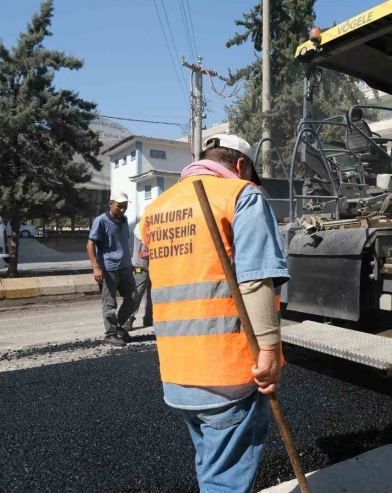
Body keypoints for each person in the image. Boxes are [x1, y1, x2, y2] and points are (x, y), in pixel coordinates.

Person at [141, 134, 288, 492]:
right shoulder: (240, 194)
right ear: (241, 165)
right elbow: (255, 281)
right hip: (228, 374)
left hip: (177, 373)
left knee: (211, 467)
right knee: (226, 482)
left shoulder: (156, 208)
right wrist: (268, 352)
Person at [87, 191, 137, 347]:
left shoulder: (124, 220)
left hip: (125, 267)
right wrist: (96, 267)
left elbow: (122, 243)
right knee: (109, 303)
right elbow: (90, 244)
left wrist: (130, 263)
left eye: (125, 206)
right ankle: (110, 334)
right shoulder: (100, 221)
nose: (122, 210)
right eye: (119, 206)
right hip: (109, 269)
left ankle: (118, 327)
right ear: (110, 204)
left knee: (133, 298)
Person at [123, 222, 152, 332]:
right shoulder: (141, 227)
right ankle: (128, 319)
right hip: (141, 267)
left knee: (153, 293)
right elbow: (143, 253)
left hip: (154, 266)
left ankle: (149, 318)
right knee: (137, 293)